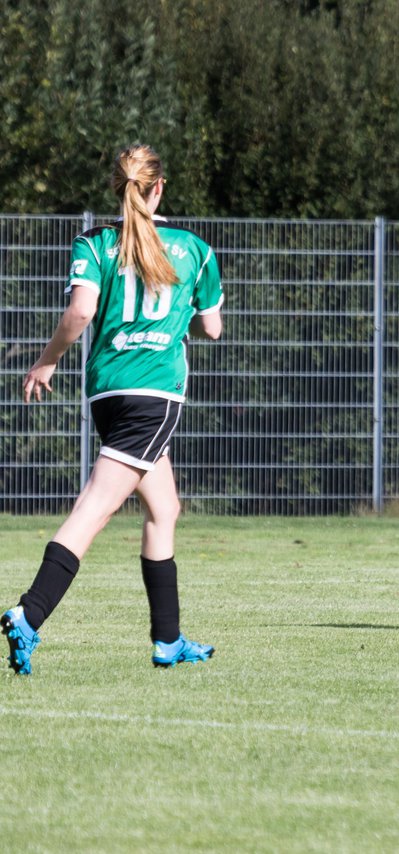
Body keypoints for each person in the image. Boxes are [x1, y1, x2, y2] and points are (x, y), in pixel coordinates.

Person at [3, 144, 224, 675]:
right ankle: (28, 614)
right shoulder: (194, 248)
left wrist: (47, 362)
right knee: (94, 510)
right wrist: (178, 321)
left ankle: (168, 639)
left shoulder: (95, 243)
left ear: (118, 188)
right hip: (156, 396)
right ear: (159, 187)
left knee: (163, 509)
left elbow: (81, 310)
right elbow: (212, 328)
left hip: (107, 393)